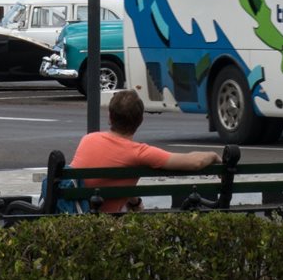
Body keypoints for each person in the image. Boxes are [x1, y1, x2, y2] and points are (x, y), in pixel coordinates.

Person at [69, 89, 221, 213]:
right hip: (105, 225)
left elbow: (112, 181)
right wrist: (213, 155)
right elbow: (194, 163)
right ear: (140, 121)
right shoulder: (138, 153)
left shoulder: (88, 139)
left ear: (110, 118)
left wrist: (135, 202)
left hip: (76, 216)